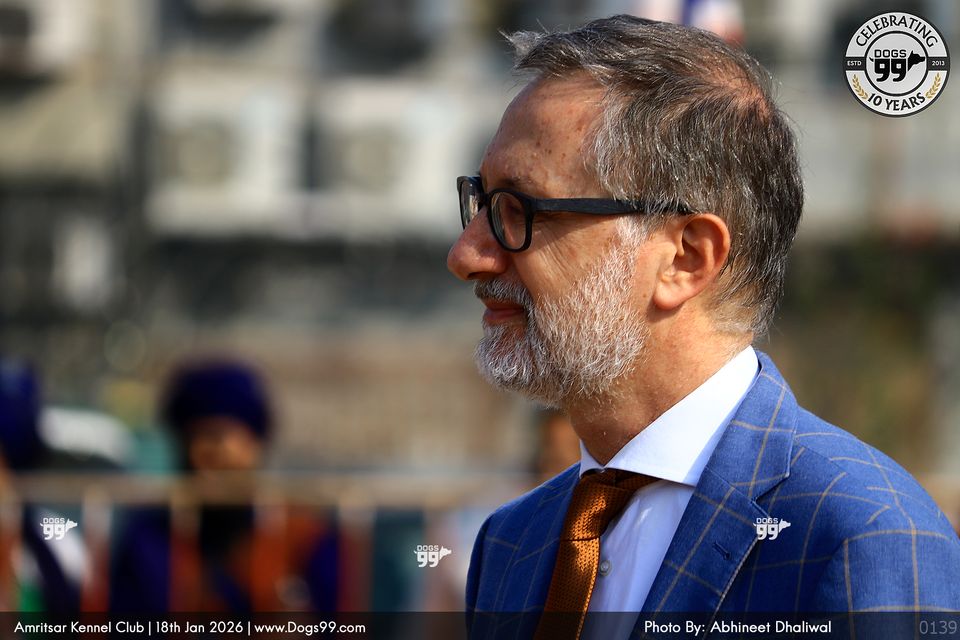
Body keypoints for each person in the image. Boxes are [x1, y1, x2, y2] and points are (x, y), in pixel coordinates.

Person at [447, 14, 960, 638]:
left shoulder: (863, 536)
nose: (467, 255)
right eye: (481, 202)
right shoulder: (512, 543)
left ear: (686, 258)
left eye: (518, 210)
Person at [110, 359, 339, 612]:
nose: (205, 456)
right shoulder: (150, 542)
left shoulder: (302, 538)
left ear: (254, 444)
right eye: (194, 438)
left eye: (218, 437)